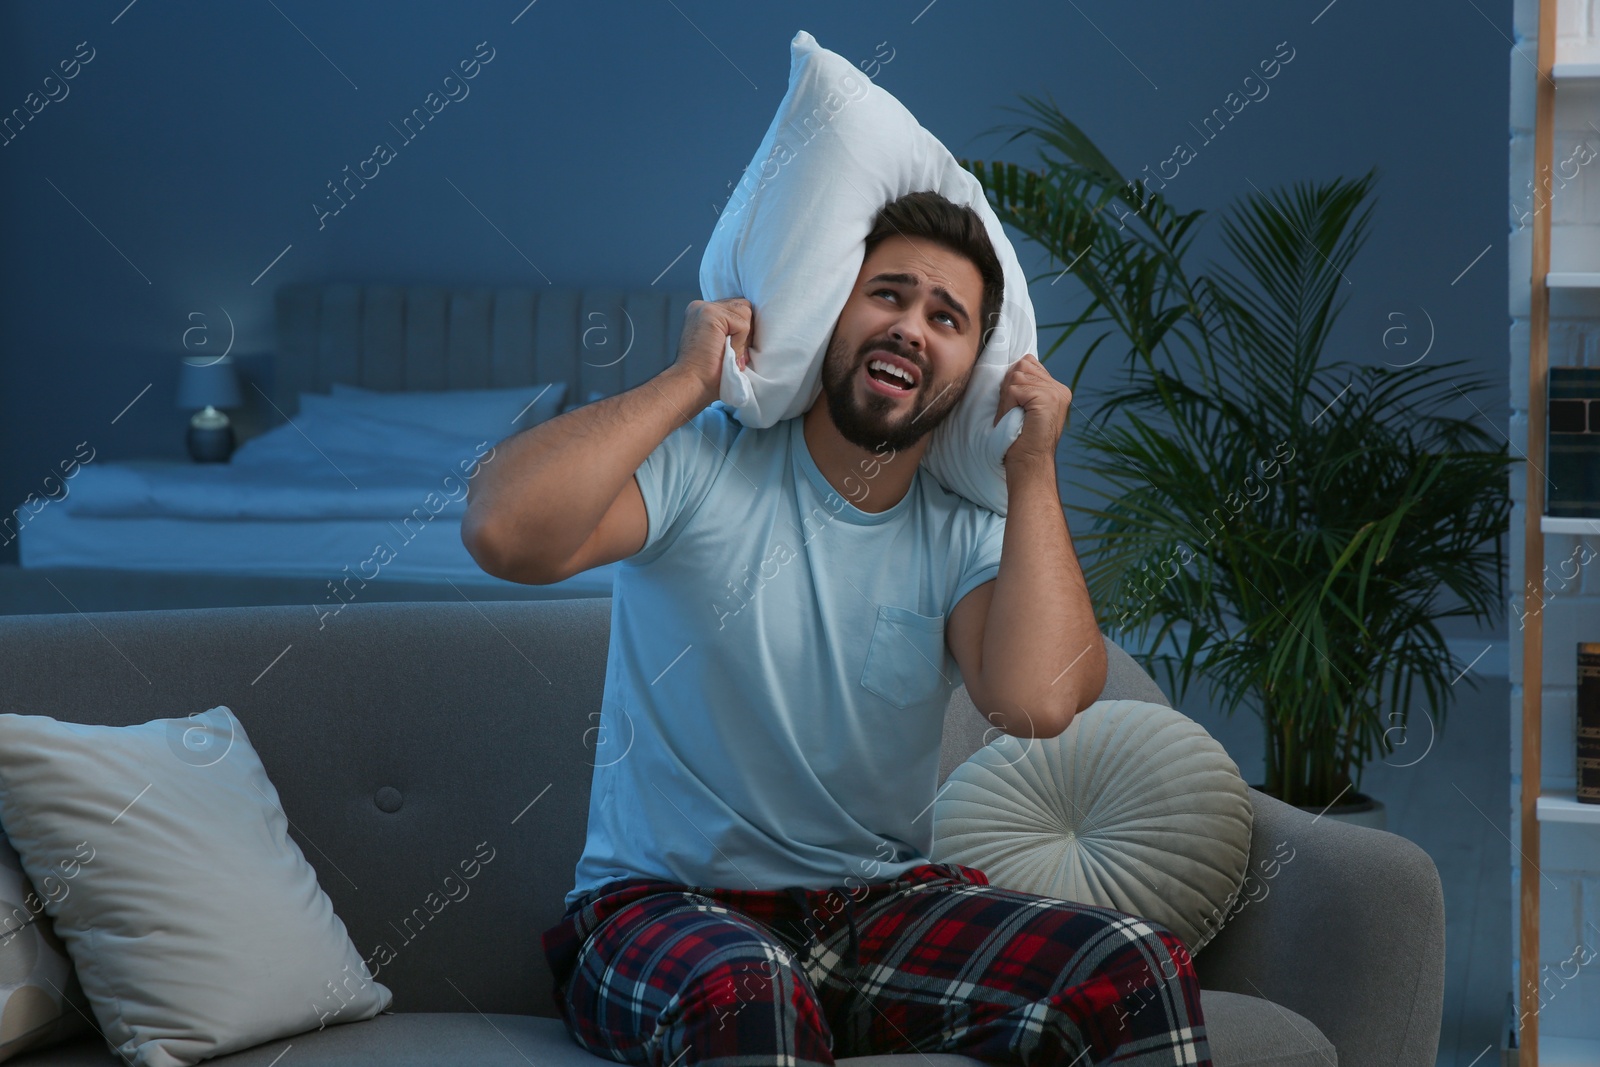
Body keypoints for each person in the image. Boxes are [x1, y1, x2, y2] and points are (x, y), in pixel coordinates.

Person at [462, 190, 1212, 1067]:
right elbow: (500, 531)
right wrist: (686, 380)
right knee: (752, 994)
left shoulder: (965, 531)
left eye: (947, 317)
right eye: (887, 294)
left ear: (971, 366)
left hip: (873, 915)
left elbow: (1037, 701)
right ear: (833, 313)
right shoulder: (705, 460)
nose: (910, 328)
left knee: (1135, 967)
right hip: (665, 908)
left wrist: (1034, 468)